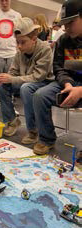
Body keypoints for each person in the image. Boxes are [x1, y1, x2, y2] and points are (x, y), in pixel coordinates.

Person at [31, 0, 82, 155]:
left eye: (71, 22)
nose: (66, 28)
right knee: (40, 96)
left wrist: (80, 90)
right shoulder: (63, 40)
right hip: (68, 83)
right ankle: (46, 139)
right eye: (64, 23)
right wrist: (67, 84)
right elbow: (58, 67)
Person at [0, 17, 54, 138]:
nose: (19, 46)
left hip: (44, 83)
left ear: (34, 39)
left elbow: (38, 77)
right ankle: (12, 121)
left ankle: (33, 130)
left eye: (23, 42)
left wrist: (12, 79)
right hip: (25, 82)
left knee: (26, 88)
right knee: (3, 86)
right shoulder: (19, 53)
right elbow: (13, 71)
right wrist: (3, 78)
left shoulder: (45, 49)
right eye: (17, 42)